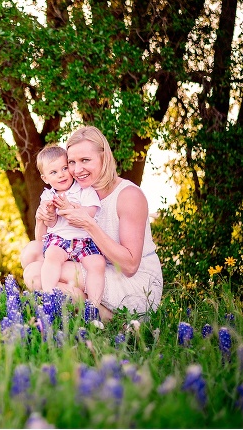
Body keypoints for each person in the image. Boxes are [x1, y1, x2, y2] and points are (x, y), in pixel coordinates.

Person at [20, 126, 163, 321]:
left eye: (85, 160)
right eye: (71, 162)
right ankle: (92, 316)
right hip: (96, 267)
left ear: (104, 158)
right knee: (32, 251)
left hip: (134, 283)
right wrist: (42, 218)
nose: (77, 170)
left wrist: (89, 224)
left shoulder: (128, 195)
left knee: (36, 273)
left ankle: (112, 318)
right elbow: (45, 244)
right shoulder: (75, 191)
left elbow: (130, 266)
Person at [32, 145, 107, 313]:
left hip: (84, 240)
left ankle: (93, 306)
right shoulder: (47, 196)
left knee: (98, 263)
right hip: (59, 239)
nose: (61, 174)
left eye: (65, 168)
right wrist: (49, 213)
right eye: (54, 172)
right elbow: (50, 224)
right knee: (51, 257)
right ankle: (49, 295)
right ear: (45, 178)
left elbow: (92, 212)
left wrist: (71, 208)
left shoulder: (84, 190)